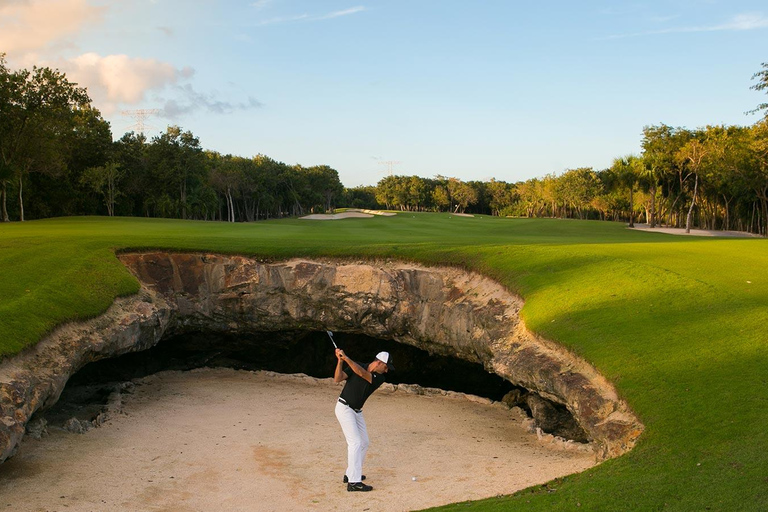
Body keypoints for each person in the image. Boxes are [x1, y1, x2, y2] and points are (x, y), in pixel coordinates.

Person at [334, 348, 394, 492]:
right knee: (355, 443)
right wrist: (340, 361)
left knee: (364, 442)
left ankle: (350, 474)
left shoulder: (379, 378)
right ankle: (354, 482)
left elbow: (361, 373)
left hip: (357, 411)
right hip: (344, 408)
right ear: (379, 363)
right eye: (386, 367)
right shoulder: (358, 365)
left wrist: (346, 358)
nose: (386, 371)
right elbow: (338, 378)